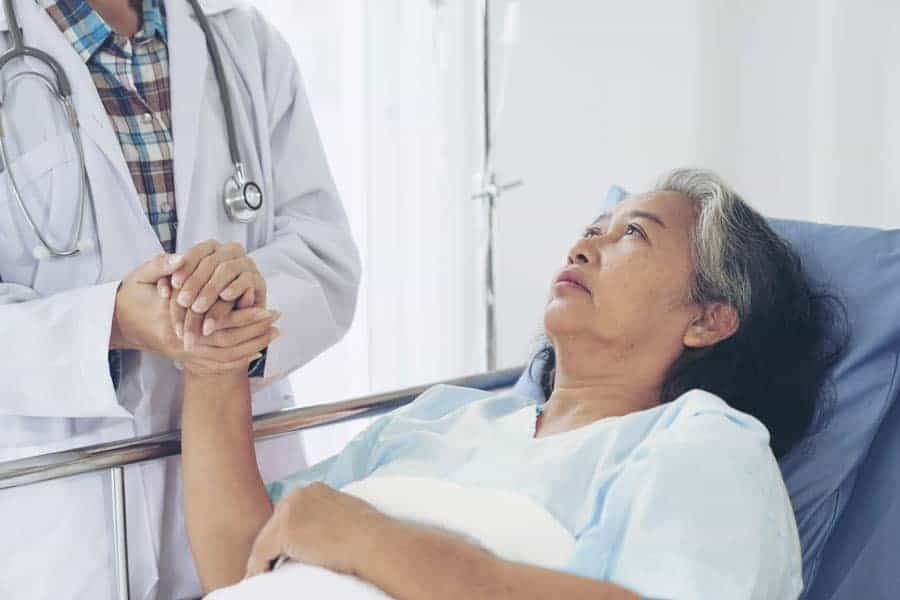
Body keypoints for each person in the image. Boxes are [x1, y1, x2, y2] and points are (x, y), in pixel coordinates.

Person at [180, 169, 845, 599]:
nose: (582, 249)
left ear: (708, 318)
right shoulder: (441, 420)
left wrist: (369, 538)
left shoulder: (703, 445)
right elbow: (241, 563)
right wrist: (214, 365)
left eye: (631, 237)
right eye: (591, 232)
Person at [0, 1, 359, 598]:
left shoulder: (242, 40)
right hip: (66, 520)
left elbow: (326, 255)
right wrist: (110, 322)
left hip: (248, 494)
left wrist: (242, 297)